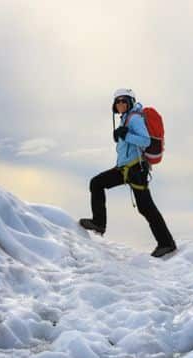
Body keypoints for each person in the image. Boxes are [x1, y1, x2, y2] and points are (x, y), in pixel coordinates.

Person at [79, 88, 177, 257]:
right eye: (117, 102)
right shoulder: (126, 119)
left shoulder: (135, 118)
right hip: (126, 169)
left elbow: (145, 141)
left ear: (130, 102)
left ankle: (167, 244)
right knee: (97, 183)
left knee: (146, 208)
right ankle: (99, 223)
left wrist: (127, 135)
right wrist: (122, 134)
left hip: (135, 170)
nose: (120, 104)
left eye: (124, 101)